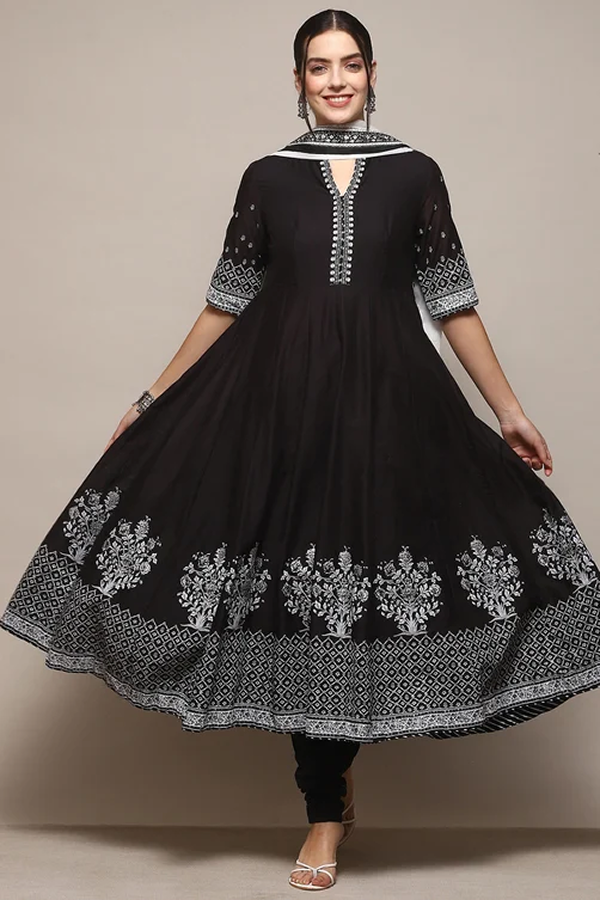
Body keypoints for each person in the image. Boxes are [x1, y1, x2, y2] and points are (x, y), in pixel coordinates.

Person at [2, 7, 600, 893]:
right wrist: (152, 397)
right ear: (297, 80)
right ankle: (324, 811)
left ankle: (330, 797)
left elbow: (452, 300)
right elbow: (226, 300)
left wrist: (507, 410)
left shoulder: (416, 173)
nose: (335, 80)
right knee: (294, 601)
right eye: (318, 66)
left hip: (390, 412)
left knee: (352, 597)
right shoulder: (268, 178)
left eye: (350, 64)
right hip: (275, 412)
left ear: (372, 73)